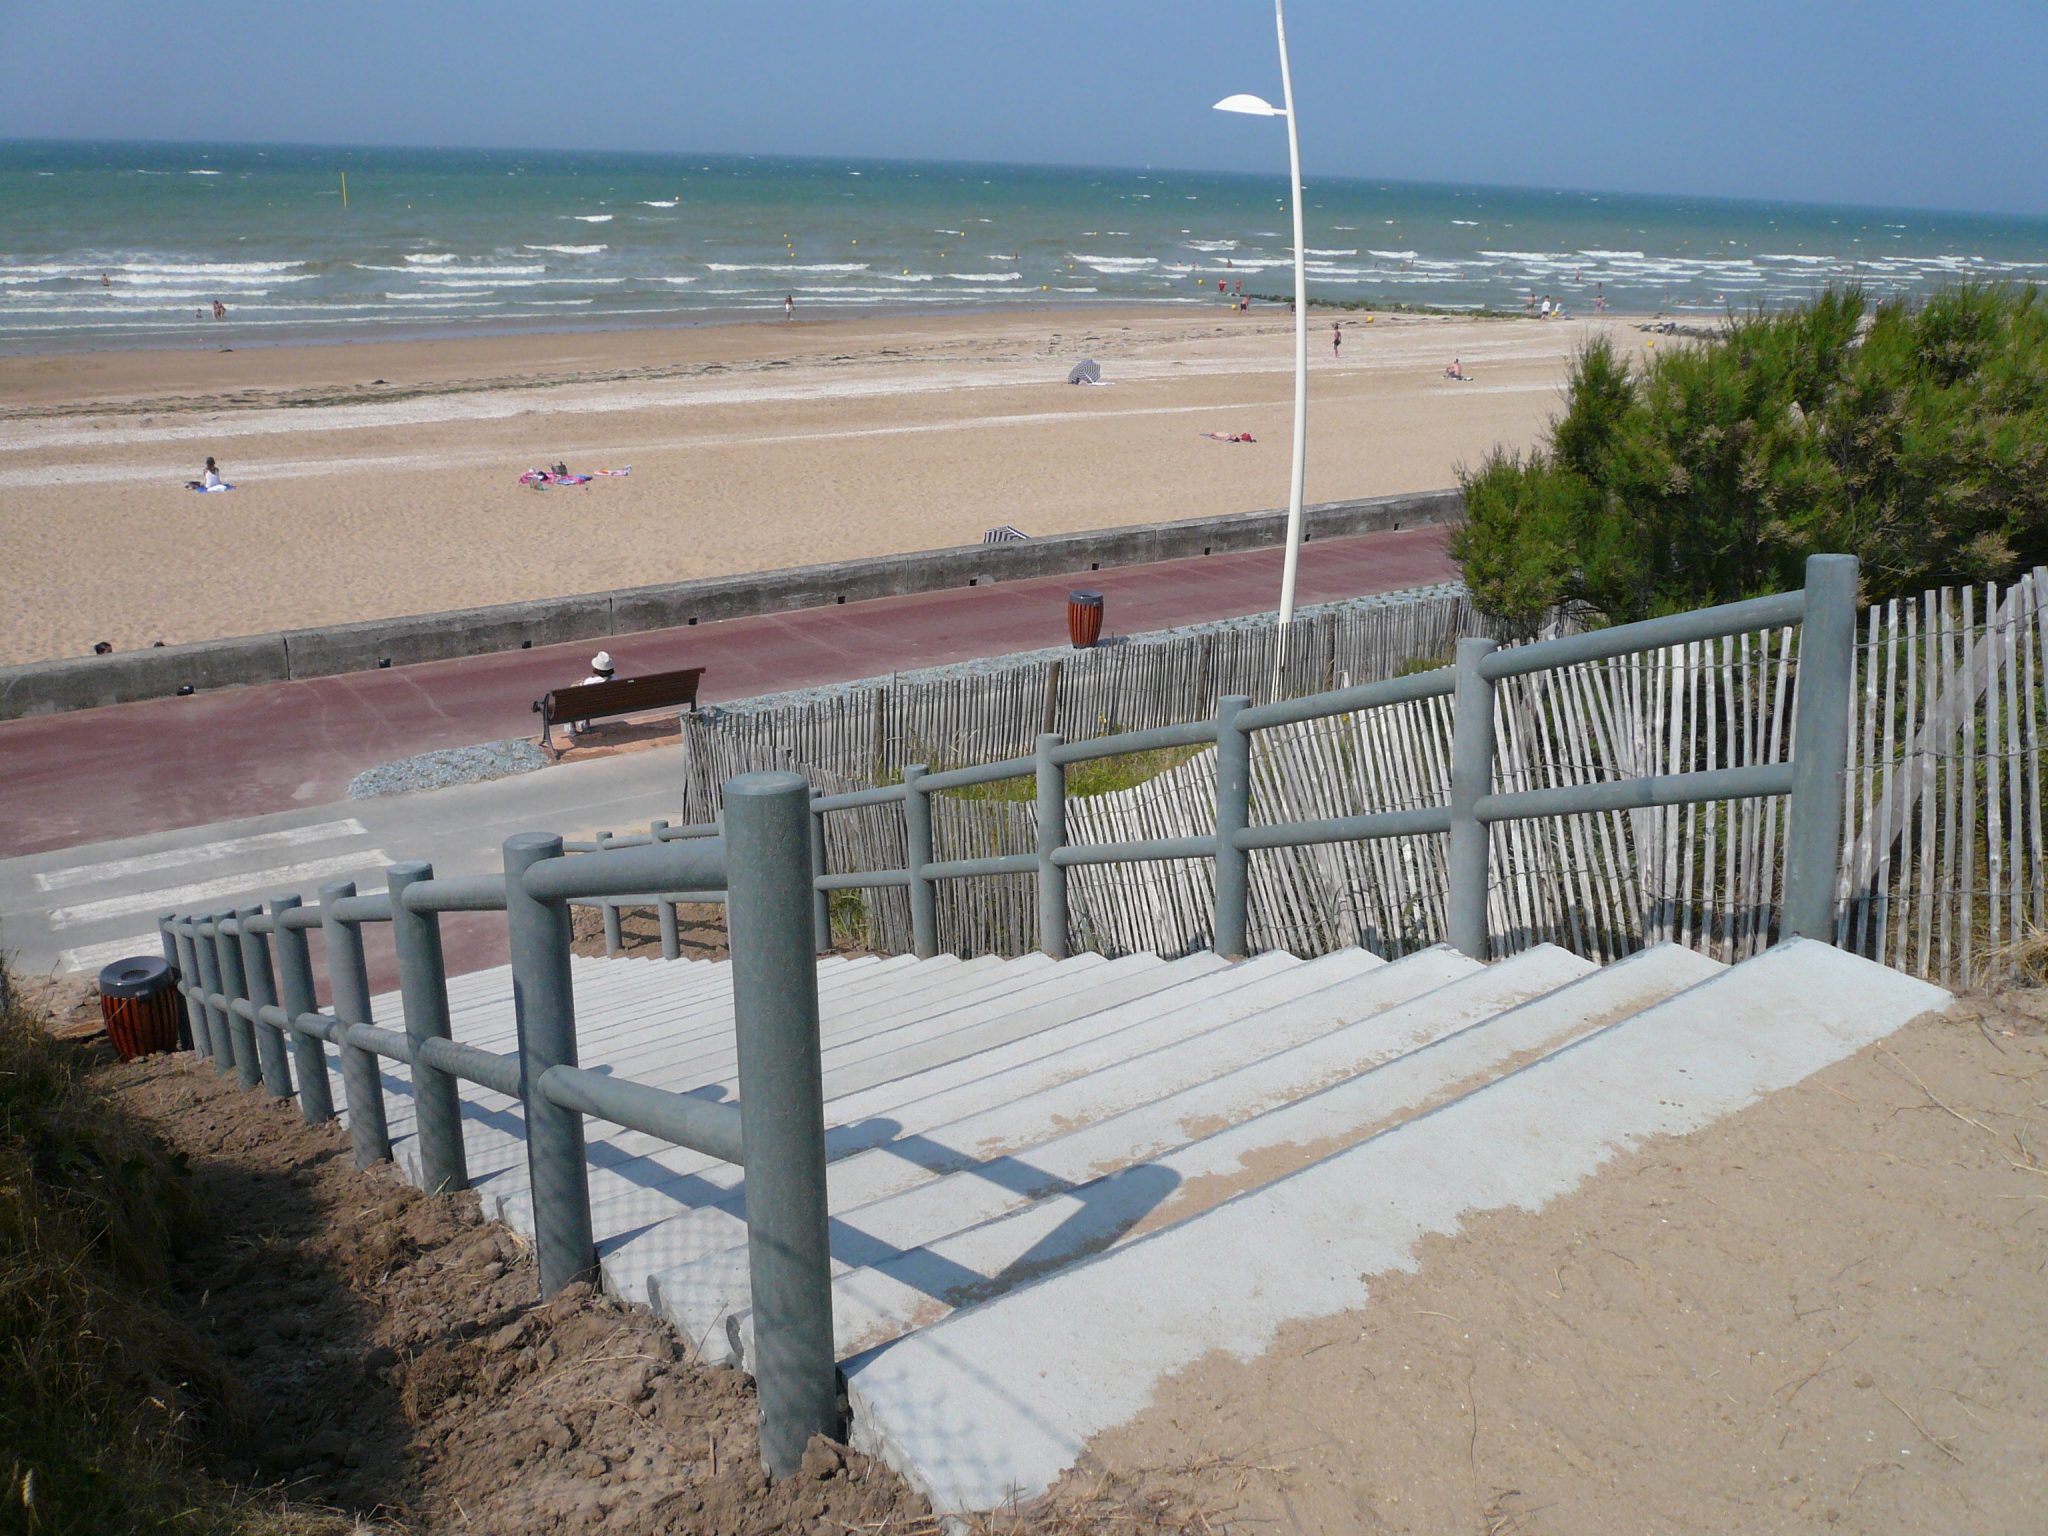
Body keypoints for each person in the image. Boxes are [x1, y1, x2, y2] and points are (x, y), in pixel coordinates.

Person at [570, 651, 617, 737]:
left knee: (572, 698)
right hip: (608, 705)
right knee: (591, 700)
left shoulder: (590, 681)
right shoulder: (616, 679)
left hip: (590, 705)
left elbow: (576, 686)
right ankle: (586, 724)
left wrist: (577, 683)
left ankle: (573, 727)